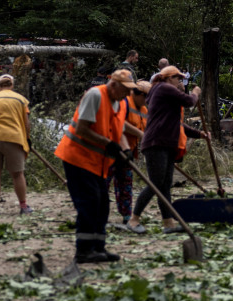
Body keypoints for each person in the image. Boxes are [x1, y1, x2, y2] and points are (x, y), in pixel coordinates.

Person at [54, 69, 144, 263]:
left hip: (98, 162)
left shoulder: (119, 104)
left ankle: (98, 248)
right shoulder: (95, 95)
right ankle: (84, 250)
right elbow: (82, 129)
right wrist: (108, 144)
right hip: (77, 157)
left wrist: (125, 149)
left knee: (103, 204)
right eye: (125, 89)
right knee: (89, 202)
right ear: (113, 84)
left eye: (130, 90)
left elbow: (118, 130)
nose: (128, 94)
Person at [129, 66, 201, 234]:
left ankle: (168, 223)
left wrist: (199, 134)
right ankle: (134, 219)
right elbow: (190, 101)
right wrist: (196, 92)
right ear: (169, 78)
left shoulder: (163, 93)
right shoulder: (163, 88)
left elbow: (177, 124)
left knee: (165, 185)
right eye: (178, 78)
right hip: (156, 143)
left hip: (166, 143)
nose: (180, 81)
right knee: (156, 184)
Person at [0, 75, 32, 216]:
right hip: (14, 138)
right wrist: (27, 138)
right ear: (12, 85)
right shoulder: (21, 99)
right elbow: (26, 122)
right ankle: (24, 206)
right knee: (17, 174)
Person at [110, 80, 150, 232]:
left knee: (126, 184)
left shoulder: (144, 110)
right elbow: (119, 124)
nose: (147, 100)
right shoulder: (124, 103)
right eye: (145, 96)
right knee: (103, 184)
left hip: (128, 153)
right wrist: (140, 133)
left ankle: (127, 215)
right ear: (137, 93)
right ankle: (96, 215)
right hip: (113, 150)